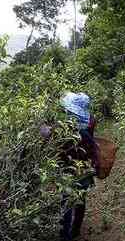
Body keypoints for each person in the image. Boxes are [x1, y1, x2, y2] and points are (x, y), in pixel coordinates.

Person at [41, 92, 98, 241]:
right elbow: (92, 148)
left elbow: (47, 134)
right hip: (85, 167)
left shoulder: (64, 129)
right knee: (80, 199)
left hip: (68, 169)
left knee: (66, 201)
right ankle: (75, 230)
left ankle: (65, 235)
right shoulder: (89, 123)